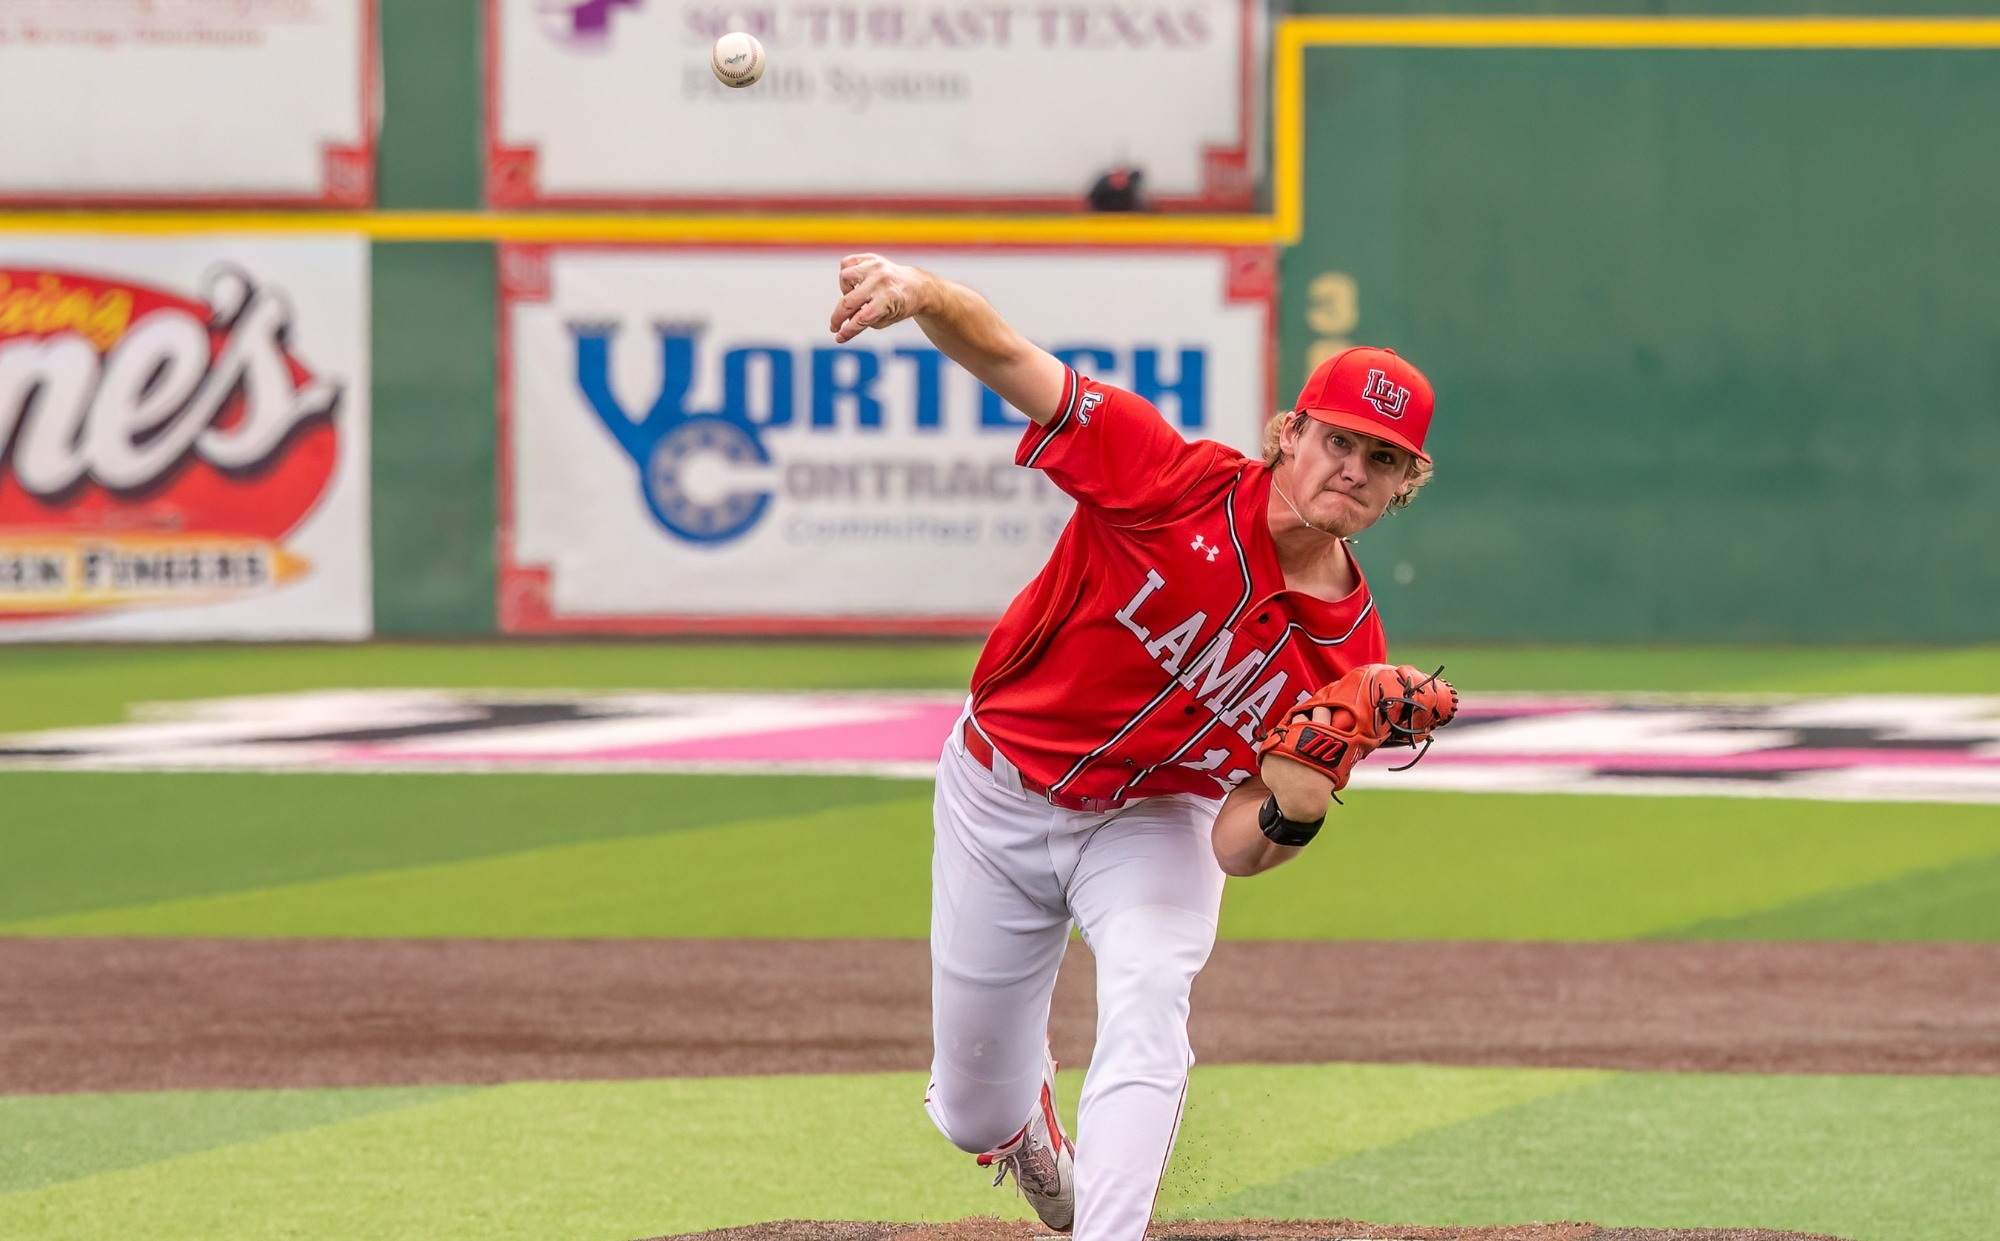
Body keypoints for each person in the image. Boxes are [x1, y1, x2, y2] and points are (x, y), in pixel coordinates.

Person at [828, 254, 1438, 1239]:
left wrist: (1300, 798)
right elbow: (1013, 360)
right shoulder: (1168, 478)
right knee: (971, 1109)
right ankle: (1020, 1121)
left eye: (1381, 459)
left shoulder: (1347, 660)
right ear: (1290, 433)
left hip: (1157, 817)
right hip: (998, 792)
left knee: (1153, 988)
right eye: (1338, 440)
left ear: (1402, 485)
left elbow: (1239, 844)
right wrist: (927, 296)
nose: (1351, 470)